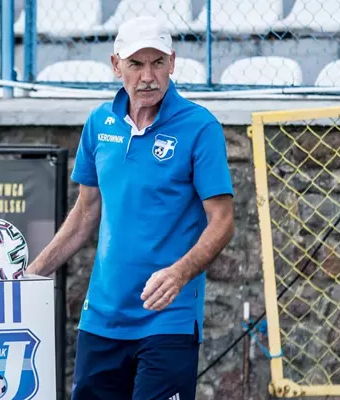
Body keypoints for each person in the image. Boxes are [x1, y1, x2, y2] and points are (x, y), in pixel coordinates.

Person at [25, 15, 235, 400]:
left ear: (173, 63)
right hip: (101, 319)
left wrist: (179, 273)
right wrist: (31, 275)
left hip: (168, 319)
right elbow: (85, 213)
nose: (148, 76)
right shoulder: (99, 123)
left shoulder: (200, 127)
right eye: (136, 64)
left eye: (158, 63)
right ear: (116, 65)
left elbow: (222, 222)